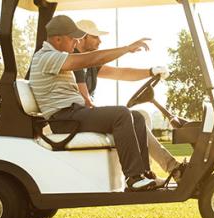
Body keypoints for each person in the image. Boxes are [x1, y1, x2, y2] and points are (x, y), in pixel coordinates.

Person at [28, 14, 165, 191]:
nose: (75, 43)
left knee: (136, 117)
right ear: (57, 39)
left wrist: (150, 71)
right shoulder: (47, 57)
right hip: (64, 119)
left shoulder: (56, 56)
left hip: (73, 114)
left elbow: (114, 71)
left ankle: (144, 175)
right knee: (121, 114)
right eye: (72, 39)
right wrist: (126, 48)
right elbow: (91, 59)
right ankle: (133, 178)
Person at [73, 19, 185, 184]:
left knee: (139, 117)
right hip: (79, 116)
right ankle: (173, 169)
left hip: (87, 115)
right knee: (125, 116)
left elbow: (122, 73)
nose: (100, 41)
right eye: (95, 37)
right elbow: (85, 100)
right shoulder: (74, 61)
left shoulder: (90, 64)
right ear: (82, 37)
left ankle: (148, 174)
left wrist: (150, 71)